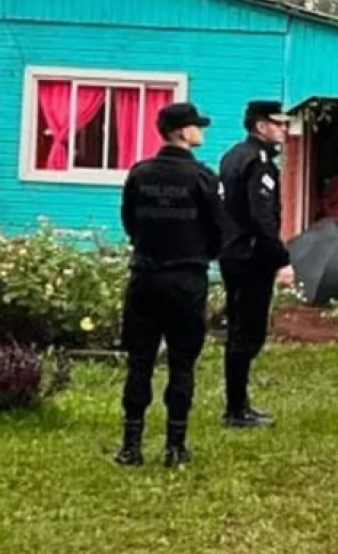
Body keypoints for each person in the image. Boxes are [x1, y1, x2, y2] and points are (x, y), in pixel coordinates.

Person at [115, 102, 224, 467]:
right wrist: (199, 253)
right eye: (196, 126)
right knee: (182, 363)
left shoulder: (140, 173)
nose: (201, 131)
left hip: (145, 277)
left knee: (139, 361)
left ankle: (131, 446)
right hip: (186, 279)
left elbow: (130, 223)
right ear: (181, 131)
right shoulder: (202, 178)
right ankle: (175, 447)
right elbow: (218, 230)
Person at [218, 100, 293, 428]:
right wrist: (279, 256)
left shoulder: (232, 155)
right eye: (278, 124)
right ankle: (236, 409)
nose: (284, 129)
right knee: (248, 332)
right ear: (261, 127)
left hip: (231, 252)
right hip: (251, 256)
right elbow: (260, 216)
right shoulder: (258, 162)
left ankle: (238, 403)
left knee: (238, 326)